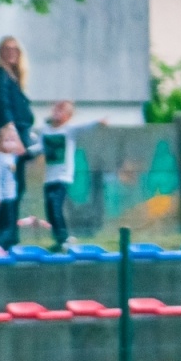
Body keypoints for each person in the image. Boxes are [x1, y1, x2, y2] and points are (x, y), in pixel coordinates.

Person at [0, 36, 36, 250]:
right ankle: (6, 234)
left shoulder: (12, 77)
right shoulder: (1, 76)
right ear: (0, 52)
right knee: (11, 187)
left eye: (15, 48)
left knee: (16, 186)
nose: (11, 52)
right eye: (7, 48)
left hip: (15, 136)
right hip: (8, 139)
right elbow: (3, 106)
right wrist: (13, 137)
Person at [38, 100, 106, 251]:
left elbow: (85, 127)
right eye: (56, 110)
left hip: (63, 177)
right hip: (49, 177)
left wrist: (98, 122)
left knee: (55, 205)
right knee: (49, 209)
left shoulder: (69, 130)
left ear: (68, 116)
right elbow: (40, 148)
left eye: (62, 111)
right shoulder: (46, 130)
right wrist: (26, 151)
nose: (57, 113)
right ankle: (60, 239)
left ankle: (64, 238)